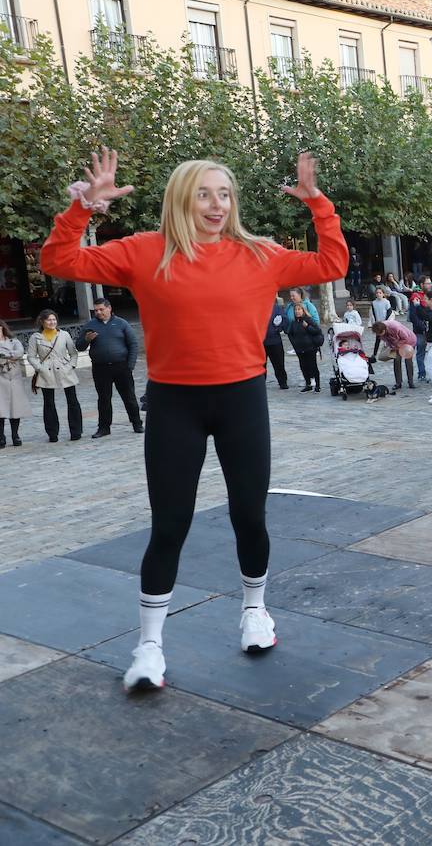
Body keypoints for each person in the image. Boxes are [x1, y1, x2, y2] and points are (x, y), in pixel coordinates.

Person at [42, 148, 345, 691]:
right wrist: (83, 208)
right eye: (204, 193)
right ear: (182, 199)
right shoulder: (145, 251)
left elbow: (332, 265)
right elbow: (59, 261)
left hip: (242, 400)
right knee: (169, 526)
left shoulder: (259, 254)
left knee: (249, 514)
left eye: (224, 194)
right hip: (175, 403)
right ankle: (150, 646)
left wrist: (318, 204)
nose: (216, 204)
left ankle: (255, 610)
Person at [77, 297, 144, 436]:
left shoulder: (121, 323)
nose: (99, 312)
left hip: (121, 367)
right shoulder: (90, 325)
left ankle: (137, 423)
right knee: (104, 399)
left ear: (109, 308)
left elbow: (133, 344)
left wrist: (130, 366)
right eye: (96, 310)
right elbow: (79, 346)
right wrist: (86, 340)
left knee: (129, 397)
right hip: (100, 368)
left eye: (101, 309)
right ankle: (104, 428)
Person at [26, 309, 83, 442]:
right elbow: (31, 356)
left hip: (64, 369)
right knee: (49, 403)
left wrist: (71, 366)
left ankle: (76, 431)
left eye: (54, 319)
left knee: (72, 401)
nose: (52, 322)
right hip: (46, 371)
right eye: (49, 320)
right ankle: (52, 433)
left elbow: (73, 353)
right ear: (42, 321)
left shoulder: (64, 335)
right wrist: (40, 368)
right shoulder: (36, 337)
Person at [0, 320, 31, 447]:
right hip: (1, 379)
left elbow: (20, 352)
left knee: (15, 408)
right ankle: (1, 437)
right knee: (0, 409)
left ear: (2, 328)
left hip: (14, 378)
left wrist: (6, 355)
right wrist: (10, 356)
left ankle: (15, 435)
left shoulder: (13, 341)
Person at [286, 302, 324, 392]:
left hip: (310, 348)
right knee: (303, 367)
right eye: (295, 310)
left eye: (299, 309)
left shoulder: (308, 320)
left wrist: (307, 327)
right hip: (299, 349)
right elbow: (290, 334)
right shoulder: (293, 323)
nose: (297, 311)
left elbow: (317, 331)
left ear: (303, 310)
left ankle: (317, 385)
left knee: (313, 366)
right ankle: (308, 384)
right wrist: (294, 344)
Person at [371, 318, 417, 390]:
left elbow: (405, 338)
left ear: (383, 330)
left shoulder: (395, 327)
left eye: (380, 334)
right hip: (394, 344)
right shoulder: (379, 329)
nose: (379, 335)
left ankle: (410, 382)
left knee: (408, 360)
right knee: (396, 360)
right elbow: (386, 340)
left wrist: (397, 346)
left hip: (409, 341)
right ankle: (398, 383)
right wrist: (391, 347)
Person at [263, 298, 289, 389]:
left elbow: (285, 320)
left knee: (279, 364)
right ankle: (261, 383)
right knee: (261, 365)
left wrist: (279, 325)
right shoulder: (258, 308)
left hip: (275, 340)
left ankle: (282, 382)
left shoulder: (276, 308)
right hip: (261, 341)